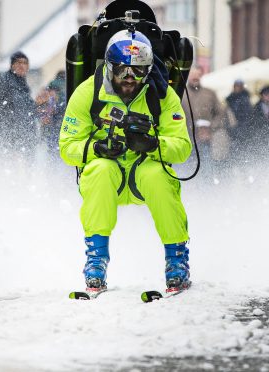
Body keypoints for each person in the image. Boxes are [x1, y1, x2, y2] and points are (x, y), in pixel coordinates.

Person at [59, 29, 192, 293]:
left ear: (149, 70)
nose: (130, 79)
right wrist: (95, 147)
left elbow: (183, 149)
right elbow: (67, 146)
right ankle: (96, 260)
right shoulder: (88, 93)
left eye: (139, 71)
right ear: (109, 68)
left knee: (158, 176)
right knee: (99, 170)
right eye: (122, 71)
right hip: (110, 173)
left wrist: (155, 144)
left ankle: (177, 260)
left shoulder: (164, 96)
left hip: (145, 168)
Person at [181, 65, 229, 179]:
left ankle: (206, 193)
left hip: (204, 142)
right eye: (192, 74)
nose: (195, 77)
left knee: (205, 172)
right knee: (184, 173)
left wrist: (210, 127)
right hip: (184, 140)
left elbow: (221, 113)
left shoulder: (210, 93)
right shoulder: (180, 93)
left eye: (197, 74)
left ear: (201, 75)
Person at [1, 51, 36, 157]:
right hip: (12, 140)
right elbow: (14, 110)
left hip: (24, 139)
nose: (22, 65)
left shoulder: (23, 85)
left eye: (25, 63)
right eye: (18, 62)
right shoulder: (4, 82)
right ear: (12, 65)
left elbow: (27, 112)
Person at [35, 70, 66, 162]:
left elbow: (41, 115)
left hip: (49, 132)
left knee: (50, 156)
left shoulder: (47, 95)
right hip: (60, 131)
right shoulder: (65, 94)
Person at [225, 79, 253, 164]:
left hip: (244, 132)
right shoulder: (230, 99)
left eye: (239, 86)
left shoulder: (245, 99)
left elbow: (248, 117)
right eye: (236, 86)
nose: (237, 88)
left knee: (243, 156)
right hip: (233, 132)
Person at [249, 84, 269, 162]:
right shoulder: (256, 108)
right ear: (262, 96)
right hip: (261, 140)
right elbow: (253, 125)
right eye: (266, 94)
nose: (268, 96)